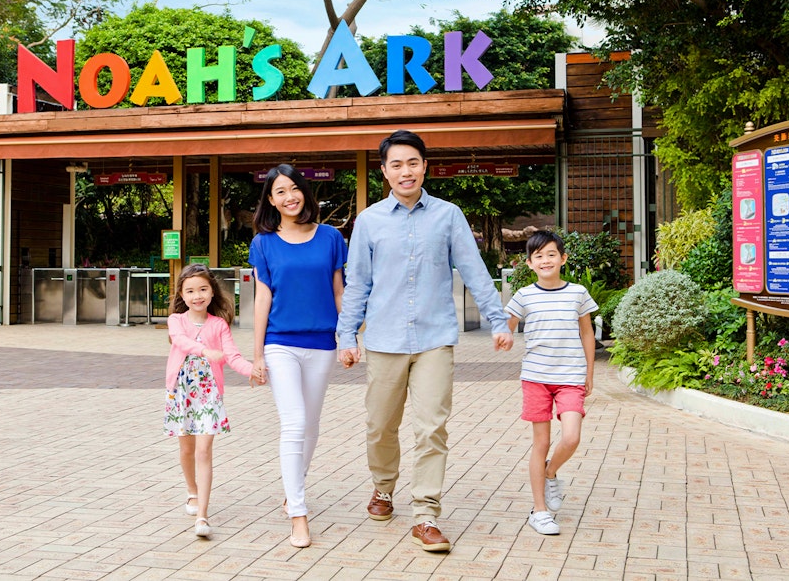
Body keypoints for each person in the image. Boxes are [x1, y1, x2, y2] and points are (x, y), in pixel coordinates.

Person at [337, 129, 514, 552]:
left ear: (425, 166)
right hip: (383, 340)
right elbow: (358, 282)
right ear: (384, 171)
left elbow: (473, 269)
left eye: (412, 162)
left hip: (435, 339)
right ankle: (383, 488)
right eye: (396, 164)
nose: (405, 171)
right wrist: (347, 334)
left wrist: (498, 320)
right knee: (380, 426)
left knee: (431, 428)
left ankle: (426, 513)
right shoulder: (370, 221)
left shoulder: (448, 215)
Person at [249, 164, 348, 549]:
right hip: (280, 344)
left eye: (294, 189)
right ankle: (299, 514)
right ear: (270, 200)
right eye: (279, 192)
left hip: (322, 343)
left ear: (305, 192)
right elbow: (262, 298)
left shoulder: (330, 238)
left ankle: (293, 491)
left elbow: (339, 291)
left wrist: (349, 336)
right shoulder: (264, 243)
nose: (289, 197)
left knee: (311, 425)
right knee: (294, 423)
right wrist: (257, 355)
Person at [504, 229, 597, 536]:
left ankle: (550, 471)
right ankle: (540, 511)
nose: (545, 260)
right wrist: (501, 333)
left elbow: (587, 333)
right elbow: (507, 325)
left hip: (570, 377)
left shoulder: (578, 293)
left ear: (563, 258)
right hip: (536, 378)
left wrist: (589, 373)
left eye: (551, 254)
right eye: (538, 256)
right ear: (529, 263)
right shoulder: (524, 295)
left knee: (571, 438)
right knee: (540, 442)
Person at [163, 263, 259, 538]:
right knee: (187, 451)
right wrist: (206, 351)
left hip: (209, 395)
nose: (197, 295)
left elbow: (232, 356)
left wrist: (251, 370)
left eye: (203, 289)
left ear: (212, 292)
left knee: (204, 451)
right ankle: (191, 491)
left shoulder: (219, 325)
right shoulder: (175, 321)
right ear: (182, 294)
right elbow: (181, 342)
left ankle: (203, 516)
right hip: (181, 394)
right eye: (190, 290)